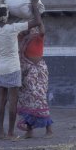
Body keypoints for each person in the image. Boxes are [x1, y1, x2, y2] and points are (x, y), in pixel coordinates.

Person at [0, 0, 41, 140]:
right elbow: (37, 21)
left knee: (1, 100)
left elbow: (0, 18)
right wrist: (34, 5)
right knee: (13, 101)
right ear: (8, 15)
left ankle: (1, 132)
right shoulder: (14, 28)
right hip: (13, 68)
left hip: (1, 68)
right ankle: (11, 133)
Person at [16, 9, 53, 139]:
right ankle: (29, 130)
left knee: (40, 98)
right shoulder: (21, 38)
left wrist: (35, 10)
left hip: (39, 71)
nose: (29, 30)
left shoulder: (38, 35)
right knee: (27, 100)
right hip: (27, 71)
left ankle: (49, 129)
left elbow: (41, 28)